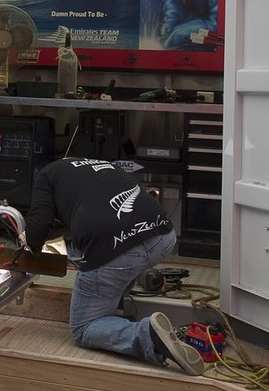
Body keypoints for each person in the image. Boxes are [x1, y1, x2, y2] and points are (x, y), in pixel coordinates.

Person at [19, 156, 204, 375]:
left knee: (83, 328)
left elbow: (39, 228)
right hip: (162, 239)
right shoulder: (100, 165)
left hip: (116, 251)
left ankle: (148, 335)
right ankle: (116, 305)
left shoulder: (46, 175)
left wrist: (26, 240)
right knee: (111, 255)